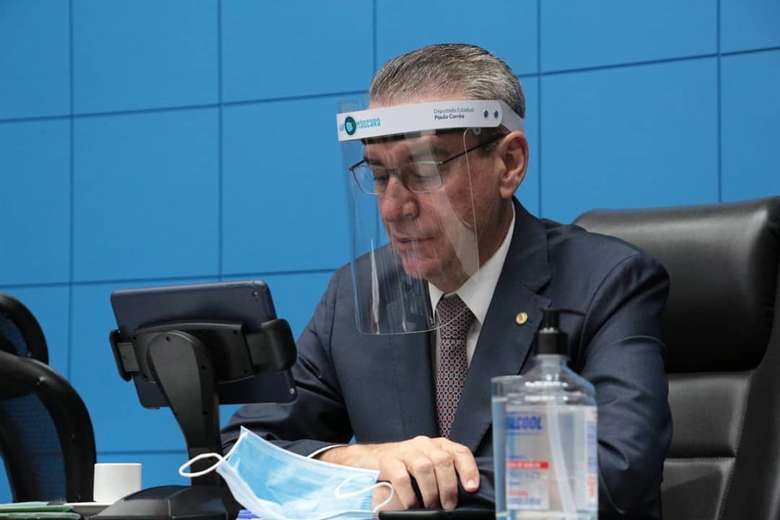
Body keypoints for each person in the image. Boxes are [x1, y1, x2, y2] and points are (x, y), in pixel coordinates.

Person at [223, 43, 671, 518]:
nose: (394, 208)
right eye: (379, 175)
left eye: (425, 171)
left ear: (509, 164)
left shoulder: (606, 283)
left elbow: (618, 471)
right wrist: (361, 462)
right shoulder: (354, 297)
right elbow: (241, 455)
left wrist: (416, 486)